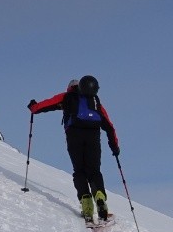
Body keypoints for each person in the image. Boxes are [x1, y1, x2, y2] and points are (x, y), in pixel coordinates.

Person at [29, 75, 120, 223]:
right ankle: (100, 198)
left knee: (79, 171)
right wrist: (114, 146)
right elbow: (109, 125)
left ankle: (86, 204)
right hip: (93, 137)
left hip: (74, 137)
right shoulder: (94, 101)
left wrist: (34, 107)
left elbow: (46, 105)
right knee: (94, 170)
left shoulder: (67, 97)